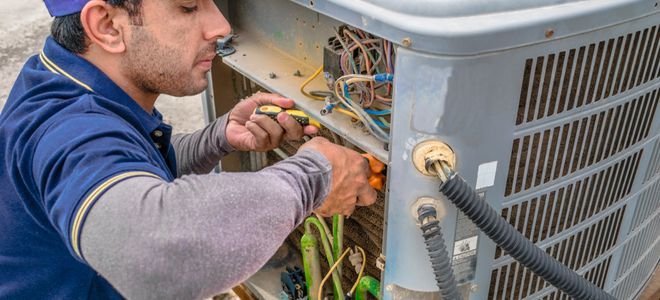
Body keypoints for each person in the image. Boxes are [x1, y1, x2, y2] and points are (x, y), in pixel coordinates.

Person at [0, 0, 377, 298]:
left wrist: (215, 139)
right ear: (107, 26)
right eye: (187, 6)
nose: (221, 26)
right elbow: (157, 258)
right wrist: (313, 177)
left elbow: (124, 163)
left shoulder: (61, 79)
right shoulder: (66, 127)